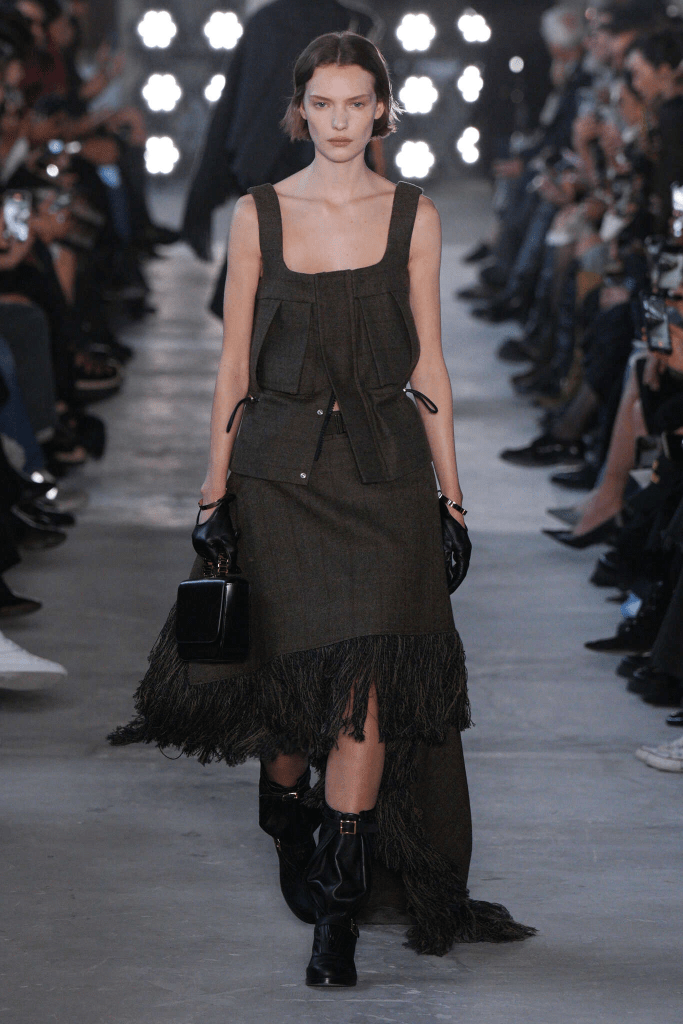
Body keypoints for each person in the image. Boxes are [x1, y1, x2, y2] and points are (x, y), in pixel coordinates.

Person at [110, 32, 534, 986]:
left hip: (383, 479)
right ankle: (282, 802)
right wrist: (213, 490)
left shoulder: (413, 215)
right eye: (323, 103)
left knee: (366, 697)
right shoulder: (257, 215)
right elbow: (233, 365)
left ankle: (335, 920)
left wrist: (452, 501)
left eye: (357, 103)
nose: (340, 121)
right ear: (298, 110)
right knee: (294, 696)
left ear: (382, 109)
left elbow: (429, 365)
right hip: (278, 480)